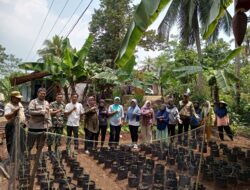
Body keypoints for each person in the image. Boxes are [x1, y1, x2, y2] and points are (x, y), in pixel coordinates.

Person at [28, 88, 51, 153]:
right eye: (41, 93)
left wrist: (49, 123)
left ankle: (38, 157)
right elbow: (30, 112)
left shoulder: (46, 102)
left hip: (43, 127)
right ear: (38, 94)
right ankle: (26, 157)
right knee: (30, 144)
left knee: (40, 144)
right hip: (34, 127)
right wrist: (41, 112)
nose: (43, 95)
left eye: (44, 94)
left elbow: (48, 113)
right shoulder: (33, 102)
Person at [4, 91, 26, 156]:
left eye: (19, 98)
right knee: (11, 142)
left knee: (21, 141)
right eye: (17, 98)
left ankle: (20, 156)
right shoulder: (8, 105)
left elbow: (22, 114)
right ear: (12, 98)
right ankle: (12, 157)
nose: (19, 99)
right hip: (11, 126)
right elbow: (7, 116)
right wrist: (14, 111)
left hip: (20, 125)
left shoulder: (20, 104)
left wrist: (24, 121)